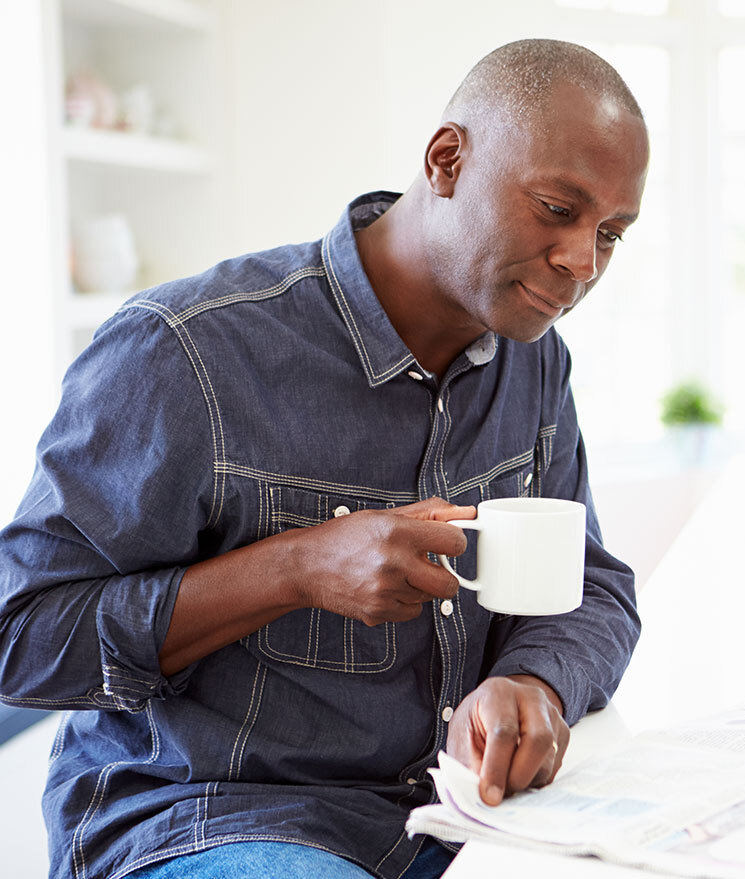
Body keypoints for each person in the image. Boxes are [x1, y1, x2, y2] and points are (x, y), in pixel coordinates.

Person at [0, 38, 648, 879]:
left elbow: (590, 584)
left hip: (452, 821)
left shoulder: (533, 360)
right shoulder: (185, 351)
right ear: (448, 160)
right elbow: (22, 636)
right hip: (212, 818)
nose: (582, 262)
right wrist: (296, 568)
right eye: (559, 210)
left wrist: (533, 683)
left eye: (612, 234)